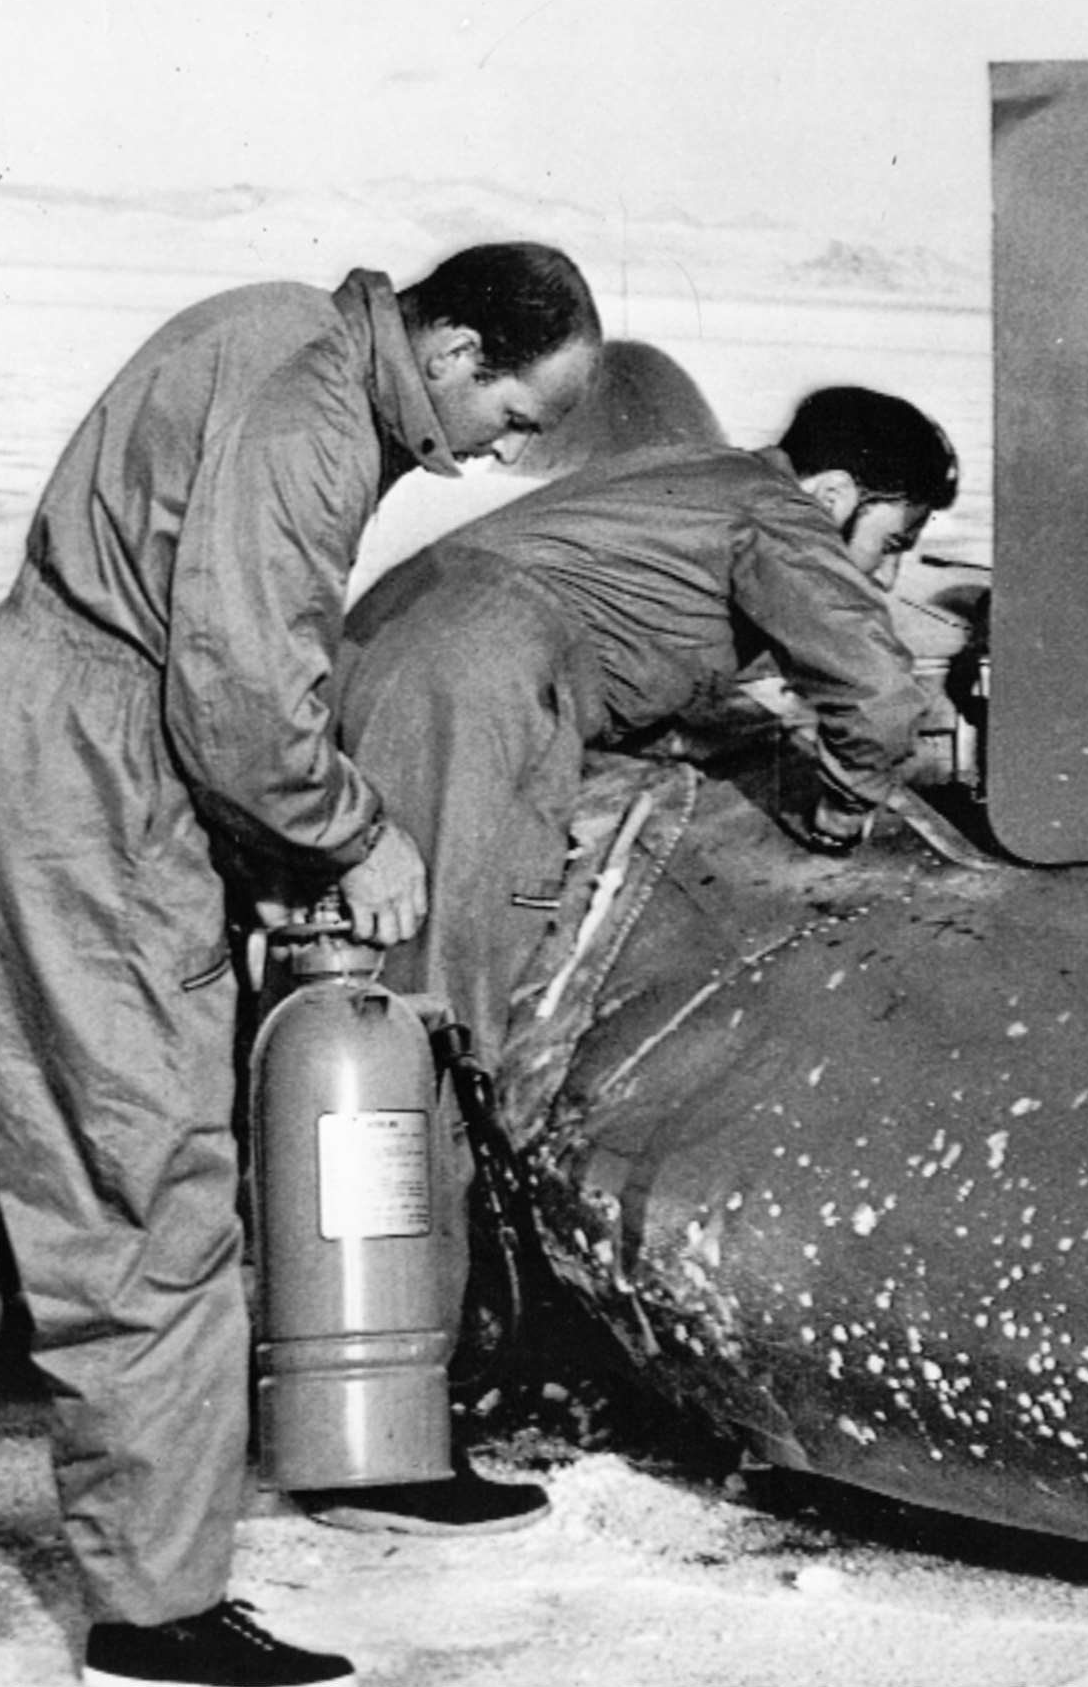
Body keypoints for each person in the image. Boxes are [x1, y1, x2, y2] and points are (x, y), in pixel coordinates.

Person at [0, 245, 603, 1687]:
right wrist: (352, 839)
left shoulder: (277, 329)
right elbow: (236, 693)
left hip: (1, 727)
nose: (506, 451)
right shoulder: (316, 409)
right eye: (517, 416)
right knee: (150, 1180)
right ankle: (154, 1608)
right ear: (458, 346)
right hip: (90, 772)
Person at [299, 386, 955, 1534]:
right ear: (838, 496)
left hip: (414, 656)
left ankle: (369, 1396)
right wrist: (848, 803)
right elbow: (880, 692)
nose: (889, 574)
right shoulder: (774, 510)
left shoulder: (683, 484)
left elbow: (639, 655)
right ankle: (380, 1446)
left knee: (387, 1024)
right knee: (428, 1041)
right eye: (890, 543)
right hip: (469, 692)